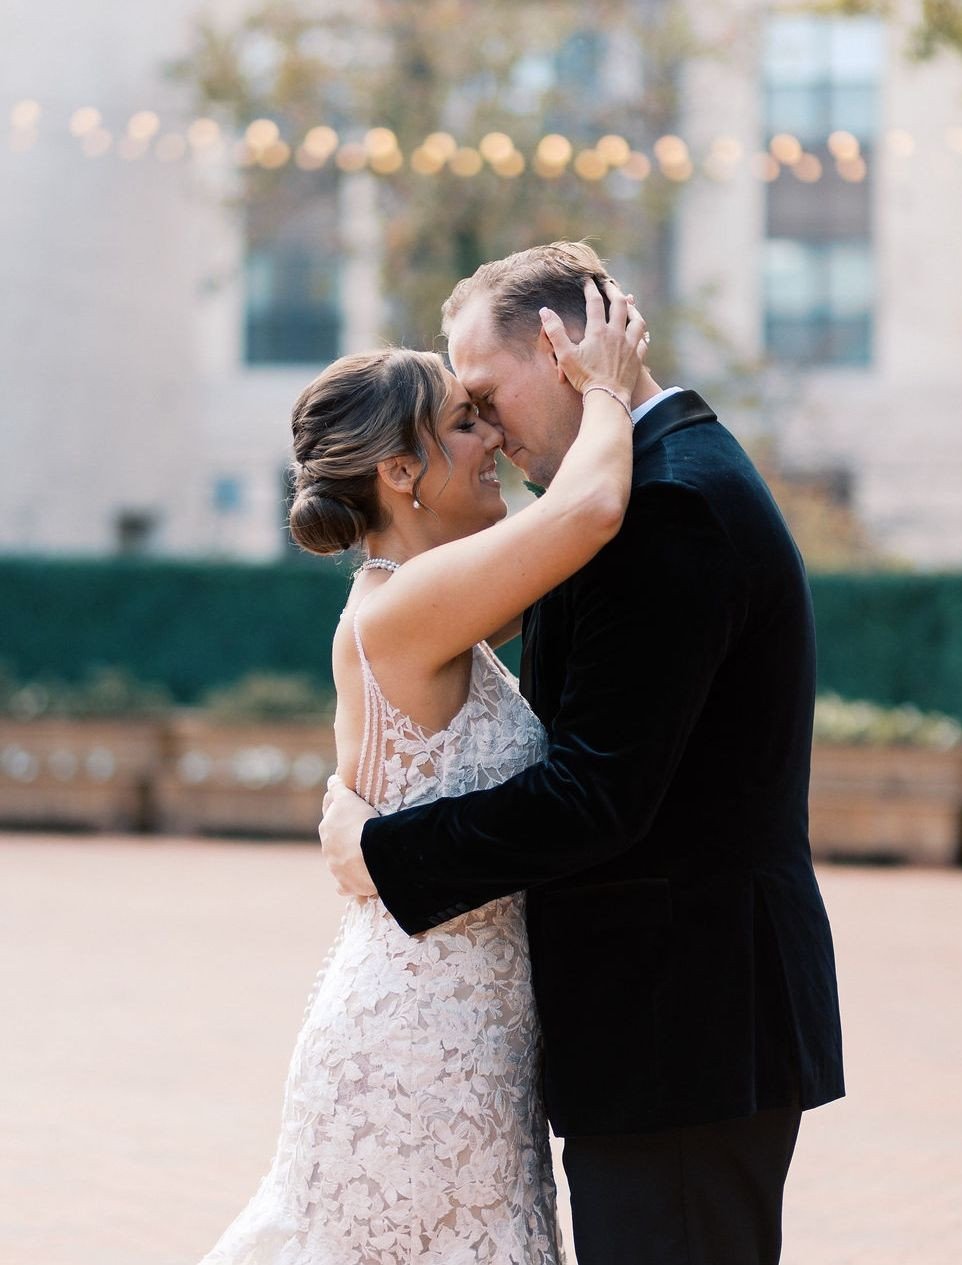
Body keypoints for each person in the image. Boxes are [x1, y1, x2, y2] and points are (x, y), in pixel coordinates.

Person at [320, 241, 846, 1265]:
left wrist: (385, 851)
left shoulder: (664, 506)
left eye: (480, 392)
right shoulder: (626, 493)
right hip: (663, 1029)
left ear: (566, 347)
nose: (481, 426)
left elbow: (597, 793)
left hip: (681, 1026)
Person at [195, 278, 648, 1265]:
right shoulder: (407, 606)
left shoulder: (426, 597)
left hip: (471, 1038)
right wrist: (608, 390)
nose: (490, 437)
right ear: (401, 471)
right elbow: (591, 509)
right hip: (418, 1052)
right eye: (462, 423)